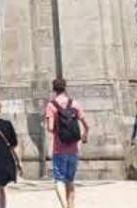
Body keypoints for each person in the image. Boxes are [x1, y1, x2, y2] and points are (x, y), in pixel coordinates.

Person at [45, 78, 88, 208]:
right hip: (73, 149)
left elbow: (51, 128)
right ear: (65, 88)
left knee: (59, 180)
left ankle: (64, 205)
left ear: (54, 89)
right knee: (70, 181)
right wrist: (84, 135)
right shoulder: (74, 103)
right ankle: (71, 206)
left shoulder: (51, 105)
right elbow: (86, 124)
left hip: (59, 149)